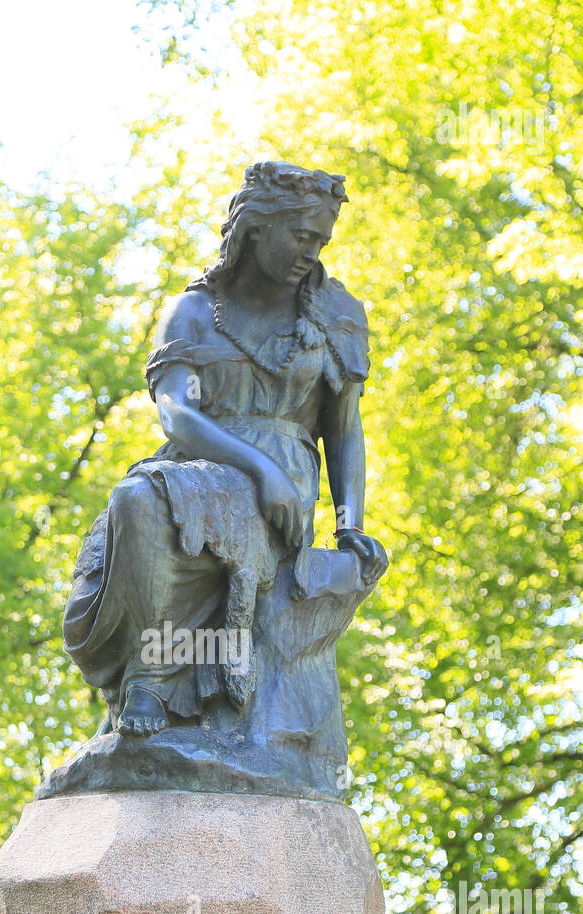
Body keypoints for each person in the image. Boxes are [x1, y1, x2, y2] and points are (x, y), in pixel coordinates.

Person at [63, 160, 388, 736]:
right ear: (257, 229)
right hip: (204, 466)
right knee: (135, 501)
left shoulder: (335, 316)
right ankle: (148, 677)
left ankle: (163, 682)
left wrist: (349, 525)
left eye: (321, 240)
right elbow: (176, 413)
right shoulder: (191, 312)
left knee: (155, 500)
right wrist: (257, 468)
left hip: (284, 485)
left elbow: (343, 429)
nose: (311, 252)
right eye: (302, 235)